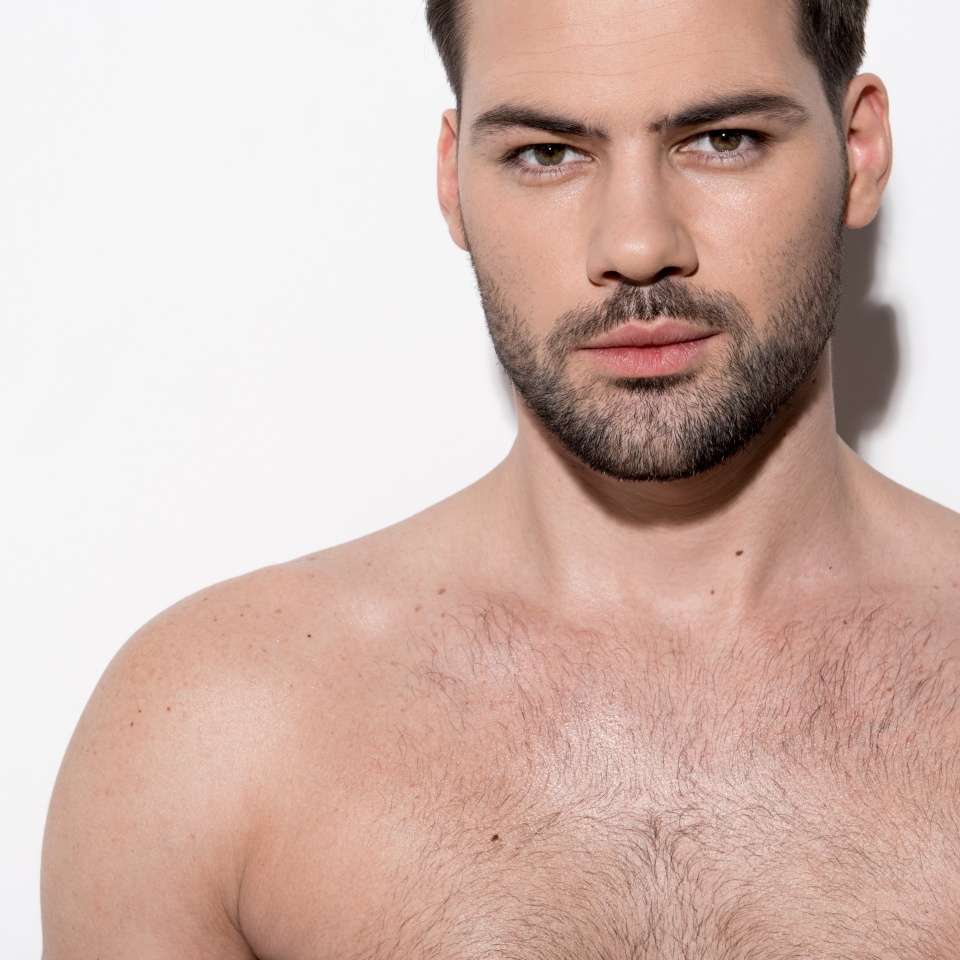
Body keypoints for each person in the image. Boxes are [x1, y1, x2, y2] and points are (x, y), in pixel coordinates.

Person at [41, 0, 960, 954]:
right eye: (547, 154)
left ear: (859, 151)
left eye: (722, 140)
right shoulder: (217, 732)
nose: (636, 246)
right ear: (454, 182)